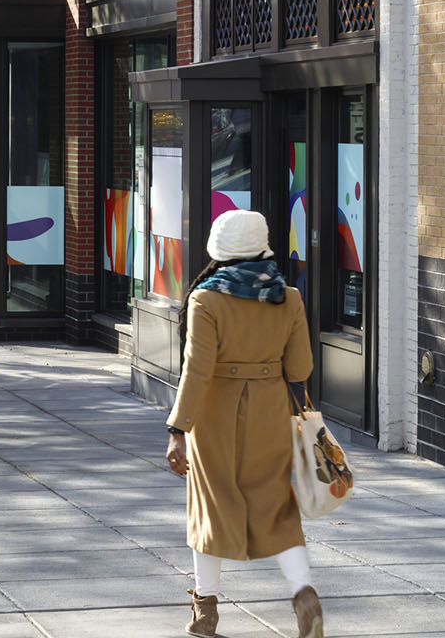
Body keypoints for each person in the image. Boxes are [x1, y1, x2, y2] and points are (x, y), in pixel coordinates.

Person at [165, 209, 323, 638]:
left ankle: (206, 611)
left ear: (219, 251)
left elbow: (197, 370)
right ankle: (304, 594)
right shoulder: (288, 297)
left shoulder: (206, 299)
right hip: (270, 412)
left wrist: (178, 429)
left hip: (216, 414)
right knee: (277, 505)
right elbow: (301, 367)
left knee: (210, 506)